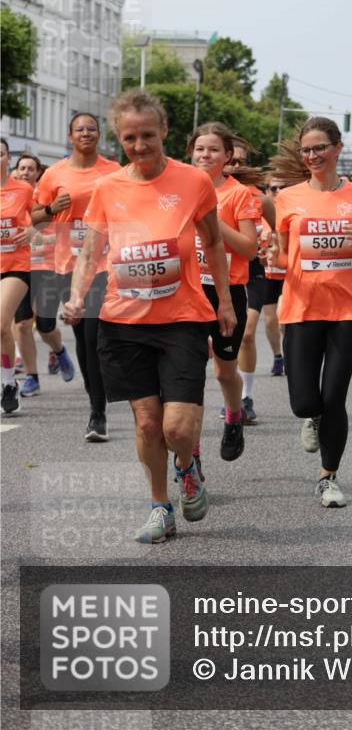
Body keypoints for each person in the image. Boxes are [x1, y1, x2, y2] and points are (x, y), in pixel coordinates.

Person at [62, 89, 236, 544]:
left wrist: (225, 301)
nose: (139, 146)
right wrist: (77, 297)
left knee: (178, 427)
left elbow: (214, 242)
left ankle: (187, 464)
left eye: (147, 136)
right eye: (129, 138)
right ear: (119, 139)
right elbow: (91, 252)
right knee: (146, 422)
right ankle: (160, 506)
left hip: (182, 317)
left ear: (164, 133)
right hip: (124, 320)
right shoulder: (107, 188)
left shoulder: (194, 182)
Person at [270, 118, 352, 507]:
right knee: (305, 402)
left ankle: (328, 477)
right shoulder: (287, 198)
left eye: (320, 147)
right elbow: (284, 256)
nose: (313, 155)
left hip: (347, 309)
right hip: (300, 306)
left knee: (334, 397)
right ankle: (311, 416)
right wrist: (273, 255)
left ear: (338, 148)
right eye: (307, 149)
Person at [32, 114, 117, 438]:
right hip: (70, 265)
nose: (86, 133)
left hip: (107, 264)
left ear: (99, 135)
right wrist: (52, 208)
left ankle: (100, 408)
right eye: (79, 129)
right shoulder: (55, 174)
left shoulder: (114, 171)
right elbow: (35, 218)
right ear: (70, 137)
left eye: (91, 128)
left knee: (97, 335)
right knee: (83, 337)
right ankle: (96, 402)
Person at [187, 122, 257, 465]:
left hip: (227, 294)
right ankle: (192, 453)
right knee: (188, 376)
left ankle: (233, 418)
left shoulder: (239, 194)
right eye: (200, 149)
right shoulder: (180, 189)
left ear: (227, 156)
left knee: (224, 372)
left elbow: (249, 247)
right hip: (188, 293)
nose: (205, 155)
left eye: (213, 149)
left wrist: (213, 220)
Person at [11, 153, 73, 397]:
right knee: (23, 324)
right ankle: (32, 377)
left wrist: (44, 238)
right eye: (22, 168)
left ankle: (59, 351)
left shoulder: (48, 198)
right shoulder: (9, 197)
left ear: (38, 173)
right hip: (19, 267)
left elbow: (67, 230)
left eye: (30, 168)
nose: (25, 172)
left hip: (47, 266)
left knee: (46, 327)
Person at [227, 140, 276, 423]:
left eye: (241, 161)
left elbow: (282, 229)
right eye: (231, 160)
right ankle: (230, 396)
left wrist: (275, 246)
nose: (236, 166)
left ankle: (245, 397)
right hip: (214, 276)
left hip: (252, 272)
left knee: (246, 334)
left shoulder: (261, 199)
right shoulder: (206, 192)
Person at [1, 139, 35, 415]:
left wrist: (34, 231)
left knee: (1, 324)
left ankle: (8, 382)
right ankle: (9, 380)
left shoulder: (23, 189)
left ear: (8, 158)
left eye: (0, 154)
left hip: (15, 266)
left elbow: (43, 215)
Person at [262, 178, 287, 376]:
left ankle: (290, 354)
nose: (278, 191)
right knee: (271, 320)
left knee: (284, 318)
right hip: (268, 275)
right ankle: (278, 356)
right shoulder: (260, 216)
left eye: (283, 187)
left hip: (289, 274)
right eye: (274, 188)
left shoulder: (292, 211)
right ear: (267, 191)